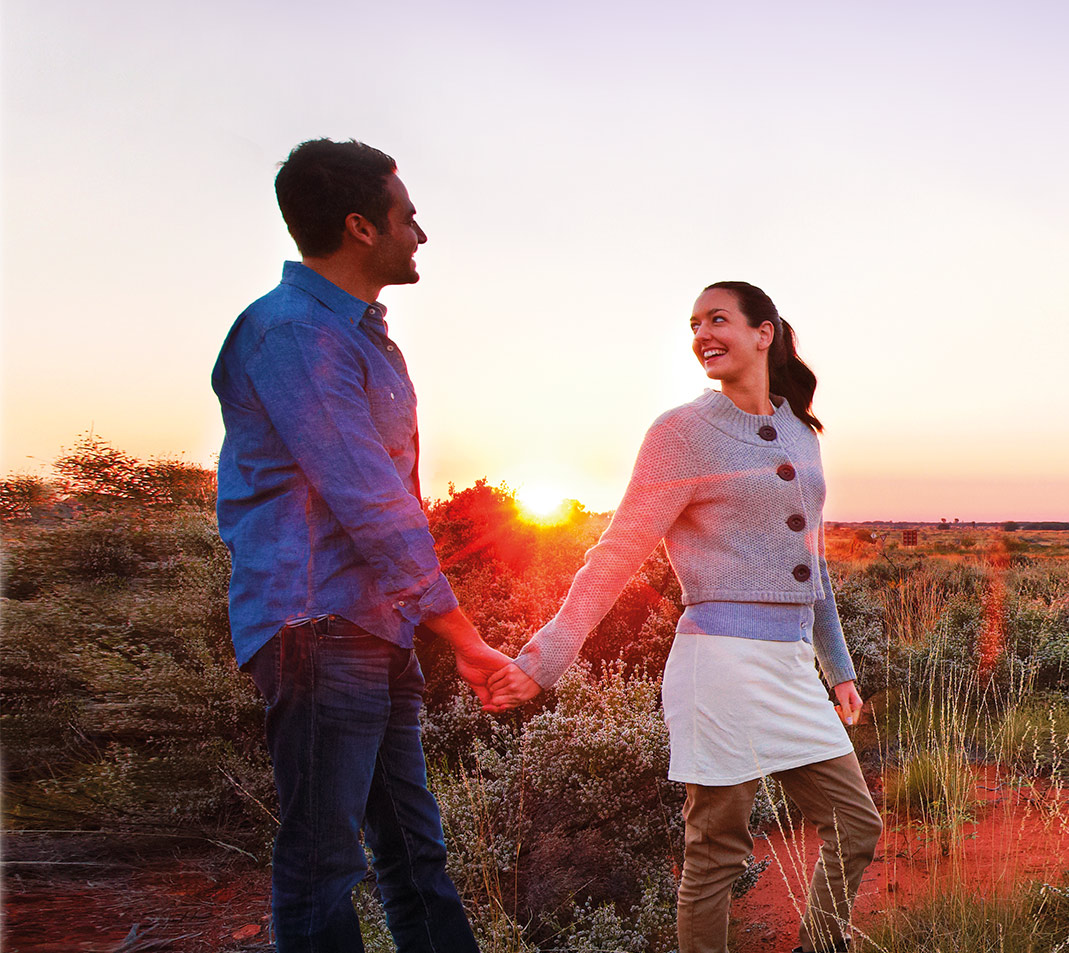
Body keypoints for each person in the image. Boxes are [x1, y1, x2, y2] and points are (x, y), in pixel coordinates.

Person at [212, 138, 538, 952]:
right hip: (317, 627)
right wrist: (462, 637)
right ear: (361, 227)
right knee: (325, 863)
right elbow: (370, 500)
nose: (420, 233)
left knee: (412, 853)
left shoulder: (358, 337)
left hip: (373, 626)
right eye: (408, 216)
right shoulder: (292, 335)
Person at [509, 280, 881, 953]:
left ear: (763, 332)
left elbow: (813, 562)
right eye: (694, 324)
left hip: (793, 666)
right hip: (720, 665)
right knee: (717, 853)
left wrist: (839, 668)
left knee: (856, 823)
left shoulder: (801, 430)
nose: (703, 334)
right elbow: (618, 549)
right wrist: (548, 656)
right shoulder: (681, 432)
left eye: (719, 319)